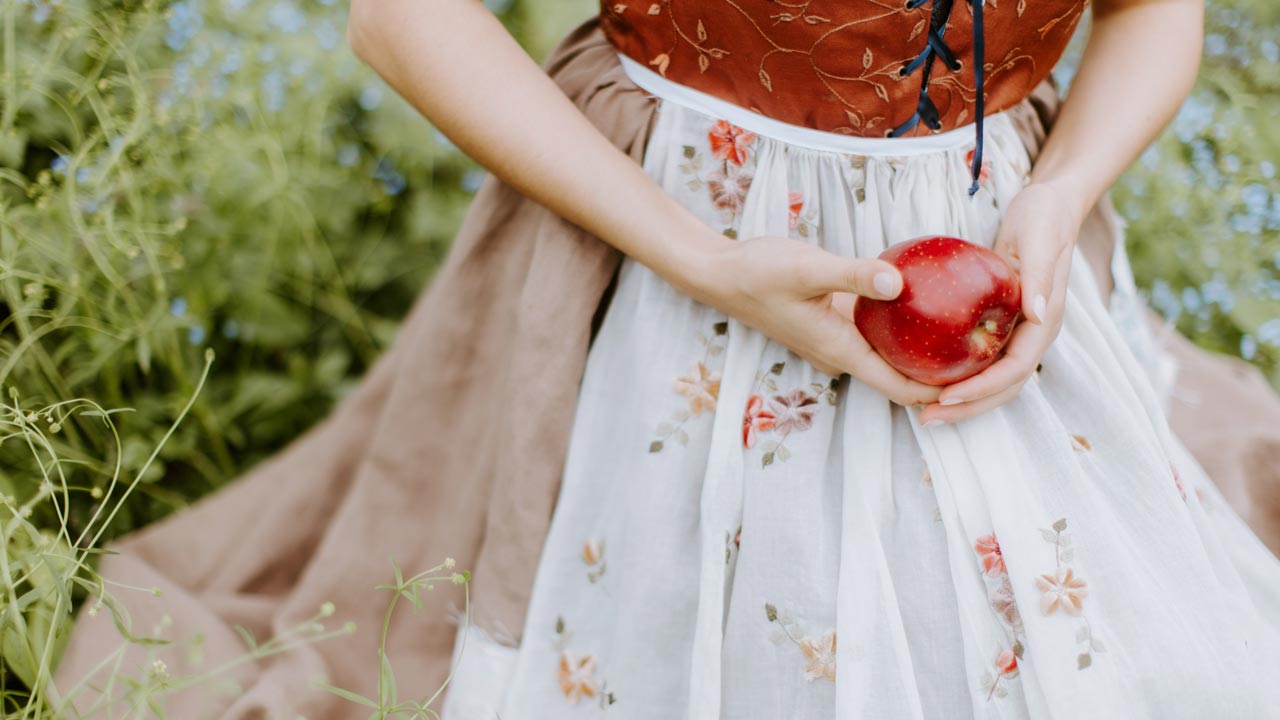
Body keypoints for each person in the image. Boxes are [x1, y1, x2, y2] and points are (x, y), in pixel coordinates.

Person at [51, 0, 1280, 718]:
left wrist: (1060, 196)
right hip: (669, 226)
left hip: (994, 245)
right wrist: (701, 257)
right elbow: (399, 16)